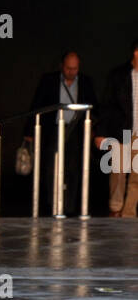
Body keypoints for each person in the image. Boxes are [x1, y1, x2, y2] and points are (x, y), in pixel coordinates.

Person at [23, 50, 99, 216]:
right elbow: (37, 104)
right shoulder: (48, 80)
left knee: (73, 168)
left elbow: (94, 106)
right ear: (61, 66)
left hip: (76, 130)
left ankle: (70, 207)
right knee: (51, 166)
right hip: (54, 129)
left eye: (75, 68)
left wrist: (94, 129)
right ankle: (52, 205)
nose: (71, 72)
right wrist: (29, 132)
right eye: (68, 68)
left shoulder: (86, 81)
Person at [97, 41, 138, 217]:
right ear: (135, 53)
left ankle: (128, 214)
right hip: (121, 131)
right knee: (118, 174)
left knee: (136, 178)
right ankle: (115, 210)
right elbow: (107, 106)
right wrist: (100, 133)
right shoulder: (119, 75)